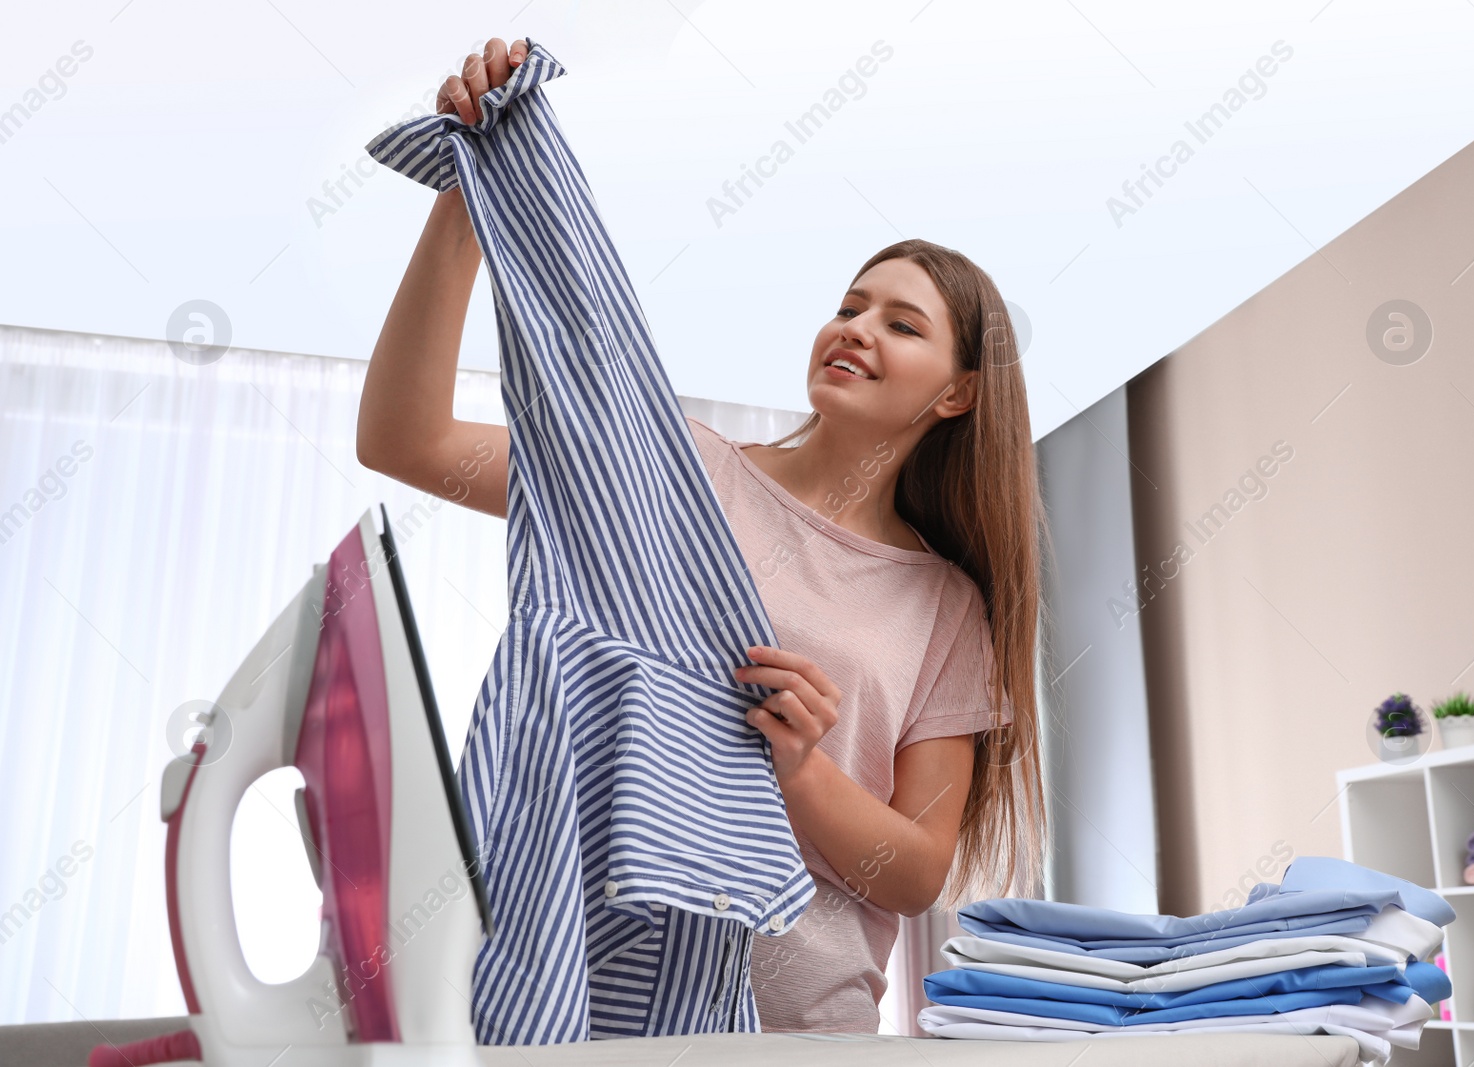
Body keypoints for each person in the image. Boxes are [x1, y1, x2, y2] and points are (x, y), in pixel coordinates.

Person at [355, 36, 1047, 1035]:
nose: (853, 327)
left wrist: (800, 769)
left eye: (901, 323)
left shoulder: (944, 605)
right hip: (600, 1007)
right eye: (849, 305)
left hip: (803, 1033)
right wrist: (471, 198)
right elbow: (404, 439)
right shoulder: (674, 475)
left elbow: (914, 873)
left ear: (958, 392)